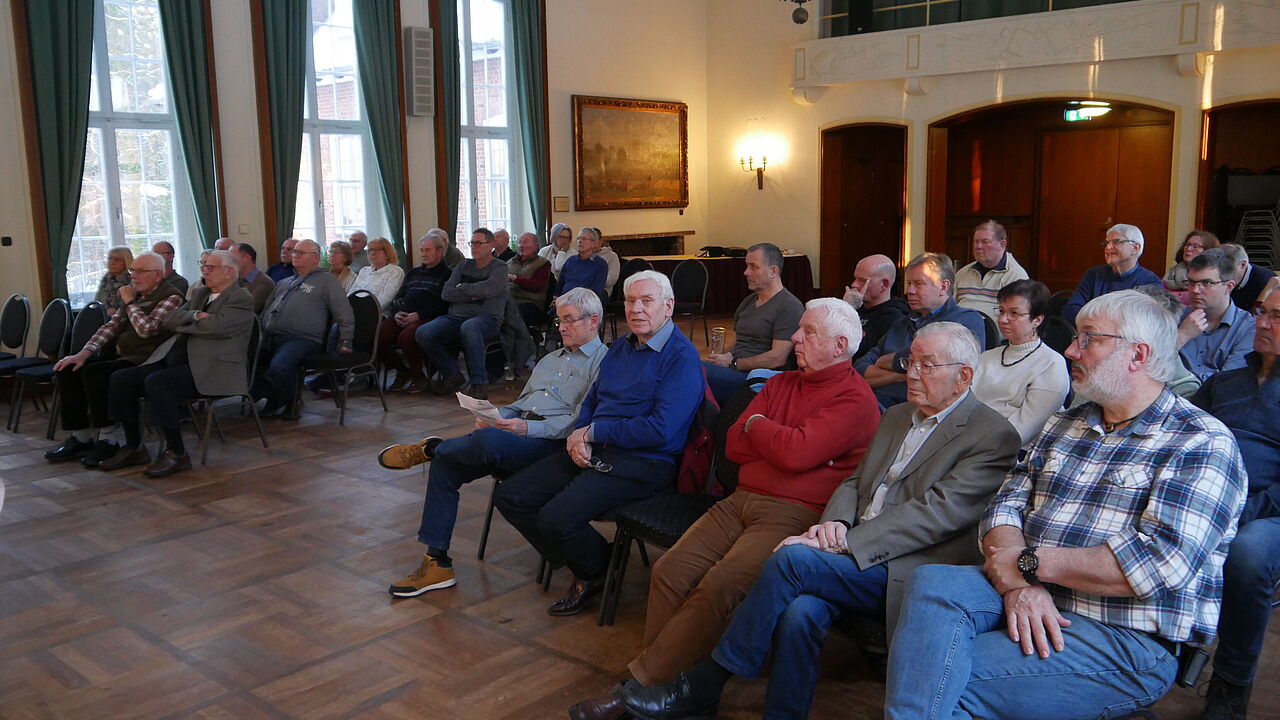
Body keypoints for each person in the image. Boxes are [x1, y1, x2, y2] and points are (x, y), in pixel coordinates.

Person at [614, 322, 1021, 720]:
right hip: (851, 548)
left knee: (789, 561)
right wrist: (837, 524)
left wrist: (845, 542)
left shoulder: (992, 435)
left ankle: (705, 683)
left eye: (926, 366)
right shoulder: (898, 416)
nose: (911, 374)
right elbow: (854, 480)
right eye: (910, 362)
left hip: (908, 566)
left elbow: (935, 515)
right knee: (799, 613)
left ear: (963, 376)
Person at [883, 289, 1247, 720]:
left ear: (1138, 355)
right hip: (1031, 590)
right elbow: (1005, 506)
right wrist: (1022, 583)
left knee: (939, 678)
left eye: (1089, 339)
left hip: (1124, 634)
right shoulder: (1068, 421)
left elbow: (1156, 564)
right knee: (931, 585)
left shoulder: (1200, 442)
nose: (1072, 349)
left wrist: (1029, 566)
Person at [569, 299, 881, 720]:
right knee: (671, 570)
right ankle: (669, 682)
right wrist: (774, 440)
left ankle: (637, 688)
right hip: (739, 500)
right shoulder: (782, 383)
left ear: (840, 344)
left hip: (794, 513)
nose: (795, 338)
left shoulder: (855, 399)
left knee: (720, 584)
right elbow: (733, 444)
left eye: (807, 333)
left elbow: (794, 452)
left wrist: (762, 431)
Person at [494, 271, 703, 617]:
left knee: (556, 519)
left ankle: (594, 572)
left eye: (646, 301)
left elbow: (662, 430)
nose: (636, 309)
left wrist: (593, 433)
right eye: (630, 300)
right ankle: (600, 560)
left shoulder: (681, 358)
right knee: (512, 496)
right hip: (597, 444)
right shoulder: (621, 346)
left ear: (668, 307)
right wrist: (582, 431)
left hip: (645, 462)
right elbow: (593, 396)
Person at [380, 288, 610, 597]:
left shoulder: (603, 363)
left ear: (593, 320)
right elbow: (524, 401)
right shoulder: (550, 359)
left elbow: (577, 420)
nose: (562, 327)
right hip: (518, 432)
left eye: (569, 320)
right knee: (449, 464)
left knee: (484, 442)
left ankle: (433, 448)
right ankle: (437, 563)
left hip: (551, 442)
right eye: (559, 321)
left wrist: (523, 427)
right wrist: (497, 414)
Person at [1191, 290, 1280, 720]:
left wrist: (1241, 510)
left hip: (1267, 511)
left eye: (1277, 316)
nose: (1262, 323)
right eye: (1262, 312)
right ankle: (1138, 658)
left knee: (1246, 558)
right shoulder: (1226, 381)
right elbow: (1181, 432)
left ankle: (1231, 685)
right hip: (1207, 497)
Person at [97, 250, 254, 478]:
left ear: (229, 272)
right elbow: (170, 320)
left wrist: (191, 318)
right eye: (203, 266)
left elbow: (216, 327)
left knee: (159, 383)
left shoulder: (240, 297)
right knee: (122, 379)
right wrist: (197, 317)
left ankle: (177, 452)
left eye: (210, 267)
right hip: (182, 359)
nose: (204, 271)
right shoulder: (201, 293)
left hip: (214, 367)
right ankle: (134, 447)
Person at [44, 252, 184, 466]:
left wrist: (128, 302)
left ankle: (110, 440)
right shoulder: (137, 294)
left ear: (158, 275)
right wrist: (83, 353)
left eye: (139, 271)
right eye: (132, 271)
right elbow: (111, 326)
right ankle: (82, 438)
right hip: (124, 355)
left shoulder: (171, 297)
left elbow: (146, 330)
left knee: (96, 374)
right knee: (68, 368)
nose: (133, 276)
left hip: (146, 359)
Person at [855, 252, 987, 408]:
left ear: (943, 287)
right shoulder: (901, 324)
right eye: (909, 283)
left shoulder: (966, 320)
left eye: (918, 284)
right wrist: (901, 376)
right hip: (875, 403)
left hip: (920, 409)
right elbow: (860, 368)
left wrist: (883, 362)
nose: (909, 291)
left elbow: (934, 371)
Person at [255, 239, 353, 418]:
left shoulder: (327, 281)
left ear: (315, 258)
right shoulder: (284, 282)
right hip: (271, 336)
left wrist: (345, 339)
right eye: (294, 252)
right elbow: (266, 309)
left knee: (279, 366)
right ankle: (274, 396)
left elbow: (343, 311)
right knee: (248, 364)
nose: (294, 255)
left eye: (300, 252)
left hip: (303, 339)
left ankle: (288, 400)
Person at [971, 279, 1070, 447]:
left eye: (1014, 313)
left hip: (1007, 452)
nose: (1003, 319)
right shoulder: (986, 358)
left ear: (1037, 320)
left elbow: (1021, 430)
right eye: (1001, 311)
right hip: (967, 441)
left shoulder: (1051, 364)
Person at [703, 243, 805, 403]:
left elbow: (777, 358)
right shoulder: (748, 302)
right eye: (746, 266)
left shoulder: (789, 306)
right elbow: (735, 344)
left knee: (691, 371)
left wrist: (735, 363)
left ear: (773, 271)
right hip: (734, 369)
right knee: (684, 365)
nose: (746, 272)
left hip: (756, 379)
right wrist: (722, 358)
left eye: (753, 267)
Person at [416, 228, 509, 400]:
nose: (474, 247)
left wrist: (463, 288)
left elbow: (490, 288)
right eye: (472, 243)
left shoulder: (500, 267)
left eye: (478, 243)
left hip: (487, 319)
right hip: (455, 317)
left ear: (490, 245)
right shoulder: (463, 265)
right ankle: (453, 374)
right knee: (423, 332)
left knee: (470, 327)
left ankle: (478, 383)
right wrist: (474, 294)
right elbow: (447, 293)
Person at [382, 233, 453, 392]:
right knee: (379, 336)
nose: (423, 254)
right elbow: (399, 295)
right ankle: (402, 371)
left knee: (406, 337)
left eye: (428, 250)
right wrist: (397, 312)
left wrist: (418, 315)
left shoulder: (447, 274)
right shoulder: (413, 272)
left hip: (428, 317)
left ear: (440, 251)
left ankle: (418, 377)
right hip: (403, 315)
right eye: (421, 250)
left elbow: (442, 303)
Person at [1177, 248, 1255, 382]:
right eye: (1191, 282)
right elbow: (1152, 366)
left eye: (1206, 283)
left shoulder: (1248, 327)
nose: (1195, 290)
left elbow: (1227, 382)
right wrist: (1182, 336)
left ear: (1229, 286)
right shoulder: (1177, 316)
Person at [1061, 223, 1162, 324]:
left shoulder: (1150, 282)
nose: (1108, 247)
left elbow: (1145, 322)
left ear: (1135, 248)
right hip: (1089, 334)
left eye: (1116, 242)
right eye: (1106, 243)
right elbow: (1071, 310)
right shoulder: (1094, 274)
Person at [954, 219, 1029, 321]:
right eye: (976, 241)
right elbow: (950, 307)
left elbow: (1015, 319)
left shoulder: (1016, 277)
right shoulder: (962, 273)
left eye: (985, 242)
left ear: (1002, 244)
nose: (978, 246)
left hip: (992, 334)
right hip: (958, 330)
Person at [844, 253, 909, 361]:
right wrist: (847, 308)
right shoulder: (855, 307)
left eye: (862, 280)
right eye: (855, 278)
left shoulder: (894, 318)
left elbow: (856, 352)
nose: (854, 284)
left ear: (883, 284)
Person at [507, 231, 552, 328]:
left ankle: (520, 341)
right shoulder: (510, 263)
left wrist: (515, 279)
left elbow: (537, 285)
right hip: (509, 300)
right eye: (520, 242)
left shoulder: (542, 263)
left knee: (515, 313)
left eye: (525, 242)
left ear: (535, 246)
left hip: (530, 302)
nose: (521, 245)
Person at [349, 237, 405, 311]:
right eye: (370, 250)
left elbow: (386, 299)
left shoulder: (395, 271)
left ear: (387, 253)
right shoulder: (364, 270)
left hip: (376, 312)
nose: (372, 253)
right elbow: (352, 292)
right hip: (354, 309)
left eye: (377, 250)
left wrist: (363, 310)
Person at [557, 227, 608, 301]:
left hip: (583, 304)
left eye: (583, 239)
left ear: (594, 244)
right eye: (578, 238)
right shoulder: (571, 260)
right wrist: (557, 297)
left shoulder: (600, 264)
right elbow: (560, 285)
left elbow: (595, 292)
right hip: (564, 301)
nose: (580, 241)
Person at [1223, 242, 1278, 312]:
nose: (1221, 272)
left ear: (1243, 265)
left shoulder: (1265, 282)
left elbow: (1257, 317)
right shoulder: (1225, 279)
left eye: (1227, 268)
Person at [233, 242, 274, 313]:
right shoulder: (236, 279)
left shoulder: (264, 283)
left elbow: (245, 310)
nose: (228, 261)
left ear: (246, 258)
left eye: (232, 257)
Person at [95, 246, 133, 317]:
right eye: (110, 259)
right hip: (102, 317)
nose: (112, 262)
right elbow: (97, 301)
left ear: (126, 262)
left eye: (117, 260)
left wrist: (118, 311)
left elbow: (133, 305)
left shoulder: (132, 280)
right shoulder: (105, 279)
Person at [596, 232, 622, 296]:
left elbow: (612, 279)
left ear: (600, 241)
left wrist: (594, 279)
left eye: (593, 239)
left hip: (603, 290)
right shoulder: (585, 256)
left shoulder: (611, 256)